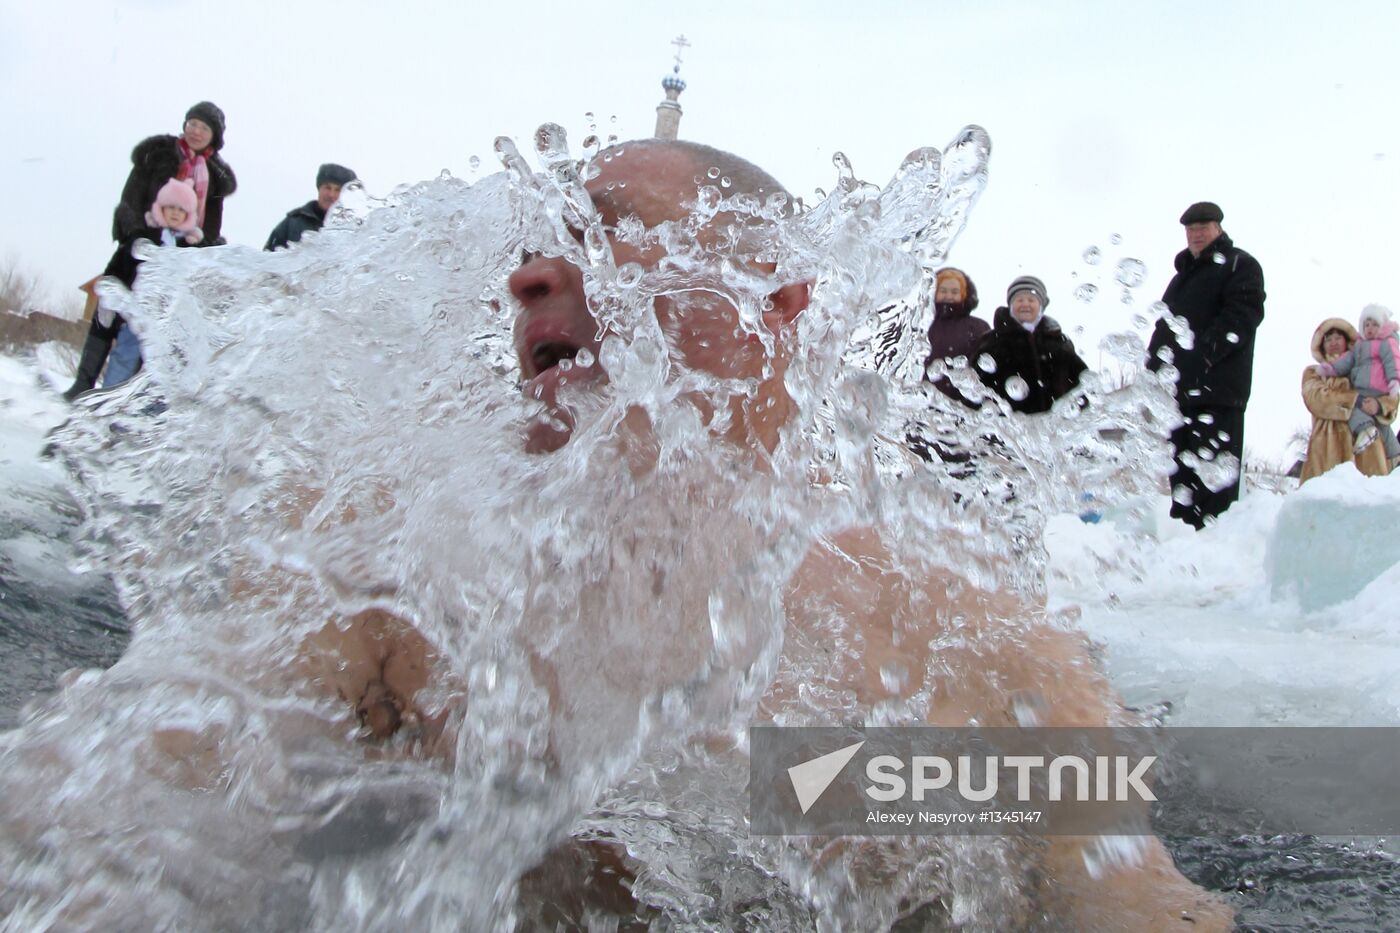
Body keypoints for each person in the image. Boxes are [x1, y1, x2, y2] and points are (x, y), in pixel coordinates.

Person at [308, 140, 1230, 929]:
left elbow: (1137, 904)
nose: (529, 278)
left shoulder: (978, 650)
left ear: (776, 298)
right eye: (536, 249)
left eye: (603, 228)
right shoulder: (390, 594)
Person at [65, 102, 236, 400]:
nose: (196, 131)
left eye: (204, 127)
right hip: (138, 248)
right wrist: (133, 234)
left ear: (215, 136)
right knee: (107, 313)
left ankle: (121, 397)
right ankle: (83, 381)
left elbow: (210, 225)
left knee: (147, 331)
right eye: (192, 123)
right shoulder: (158, 154)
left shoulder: (214, 177)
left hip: (175, 261)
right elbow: (131, 196)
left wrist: (200, 252)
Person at [1146, 201, 1265, 530]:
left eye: (1203, 227)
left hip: (1218, 393)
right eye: (1191, 229)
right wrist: (1152, 370)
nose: (1196, 234)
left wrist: (1203, 358)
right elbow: (1164, 329)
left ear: (1219, 228)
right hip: (1177, 397)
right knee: (1183, 487)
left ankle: (1215, 557)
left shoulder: (1240, 265)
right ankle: (1183, 554)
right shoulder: (1181, 277)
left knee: (1214, 488)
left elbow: (1242, 317)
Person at [1300, 317, 1398, 483]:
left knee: (1370, 497)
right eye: (1328, 339)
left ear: (1347, 341)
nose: (1333, 342)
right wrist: (1354, 400)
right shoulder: (1315, 372)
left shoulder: (1366, 368)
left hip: (1367, 448)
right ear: (1321, 345)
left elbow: (1391, 397)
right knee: (1324, 498)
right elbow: (1316, 398)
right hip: (1326, 448)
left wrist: (1379, 405)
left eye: (1338, 338)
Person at [971, 275, 1087, 414]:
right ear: (1010, 306)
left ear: (1041, 306)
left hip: (1054, 426)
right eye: (1019, 300)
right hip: (1009, 426)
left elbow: (1081, 382)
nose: (1025, 304)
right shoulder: (993, 340)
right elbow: (973, 384)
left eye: (1031, 300)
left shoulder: (1058, 341)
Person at [264, 163, 357, 251]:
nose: (331, 194)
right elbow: (268, 261)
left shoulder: (356, 229)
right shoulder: (292, 223)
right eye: (327, 187)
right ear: (319, 188)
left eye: (338, 190)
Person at [923, 266, 989, 373]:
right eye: (943, 291)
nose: (949, 296)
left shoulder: (978, 327)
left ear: (963, 295)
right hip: (924, 388)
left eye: (954, 292)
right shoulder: (921, 323)